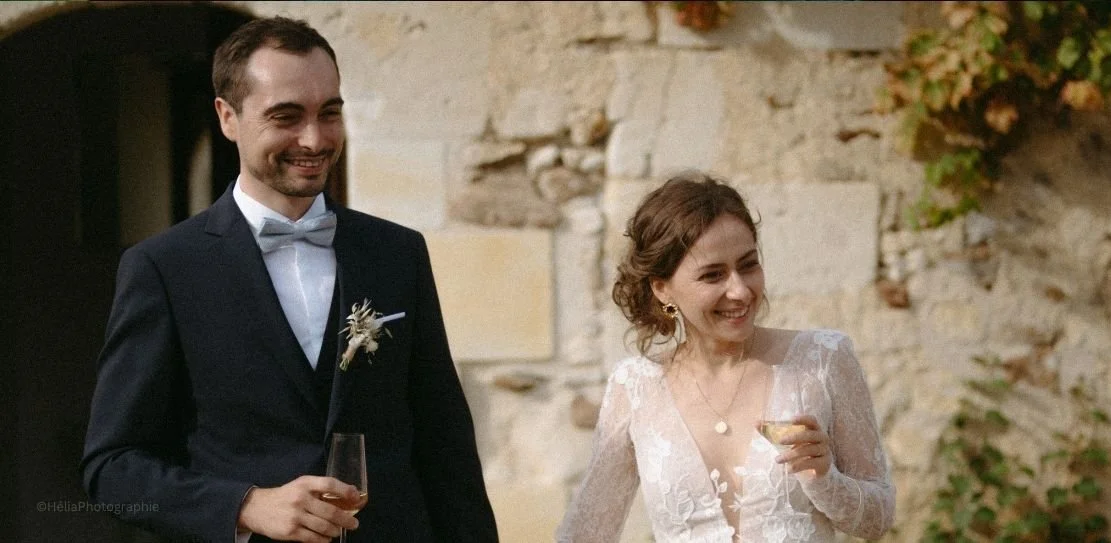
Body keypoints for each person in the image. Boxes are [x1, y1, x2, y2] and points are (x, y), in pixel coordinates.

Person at [81, 16, 498, 543]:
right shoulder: (163, 268)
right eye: (286, 116)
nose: (314, 138)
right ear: (227, 117)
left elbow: (447, 451)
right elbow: (112, 468)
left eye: (330, 113)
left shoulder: (398, 253)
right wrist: (246, 505)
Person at [557, 172, 895, 542]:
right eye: (713, 275)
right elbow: (584, 534)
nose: (740, 290)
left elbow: (877, 521)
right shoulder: (636, 388)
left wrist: (826, 479)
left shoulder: (822, 360)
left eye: (748, 265)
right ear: (662, 289)